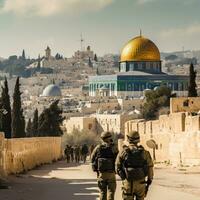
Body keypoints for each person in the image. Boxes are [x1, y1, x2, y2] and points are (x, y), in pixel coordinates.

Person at [116, 131, 154, 200]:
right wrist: (149, 180)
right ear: (138, 139)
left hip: (128, 183)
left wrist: (123, 177)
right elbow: (150, 167)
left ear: (128, 139)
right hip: (141, 183)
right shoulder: (145, 152)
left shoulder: (123, 152)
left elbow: (117, 167)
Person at [91, 131, 118, 200]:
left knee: (102, 191)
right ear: (109, 138)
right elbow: (118, 159)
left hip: (101, 173)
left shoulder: (98, 147)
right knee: (111, 191)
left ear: (102, 138)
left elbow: (92, 158)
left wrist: (95, 168)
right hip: (111, 173)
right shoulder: (113, 147)